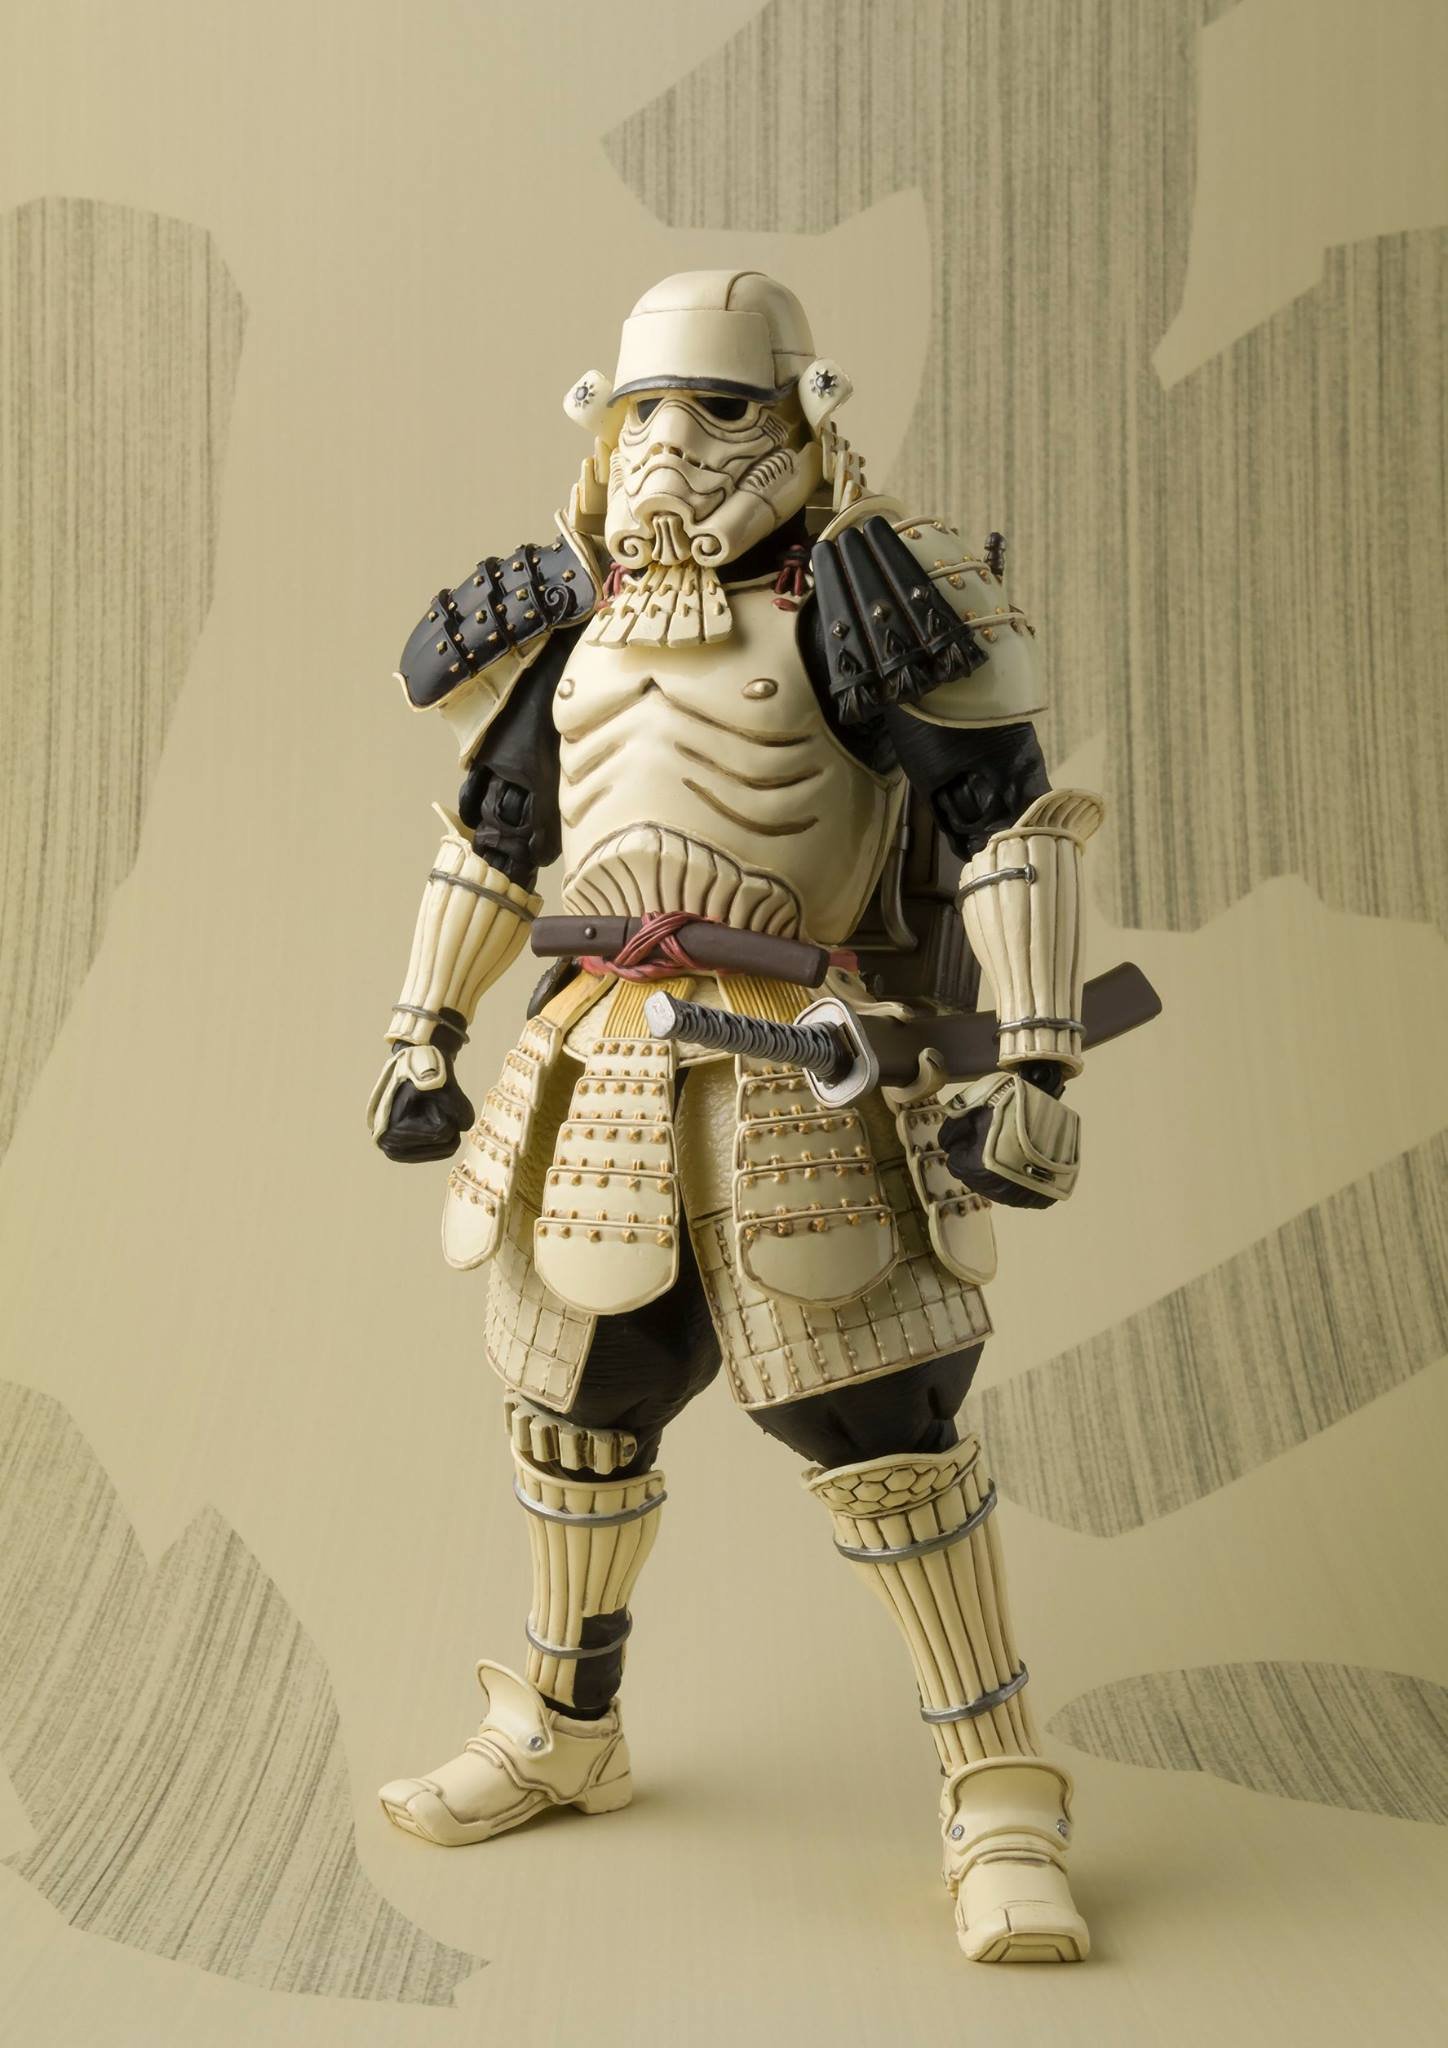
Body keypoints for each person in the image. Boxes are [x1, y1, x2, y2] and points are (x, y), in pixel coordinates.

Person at [369, 271, 1101, 1963]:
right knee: (574, 1418)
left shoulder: (867, 598)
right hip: (592, 1060)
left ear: (800, 418)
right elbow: (492, 837)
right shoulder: (567, 621)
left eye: (717, 408)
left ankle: (998, 1793)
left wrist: (1039, 1064)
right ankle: (566, 1727)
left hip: (798, 1059)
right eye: (641, 408)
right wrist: (421, 1033)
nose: (669, 447)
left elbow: (1005, 821)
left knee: (888, 1444)